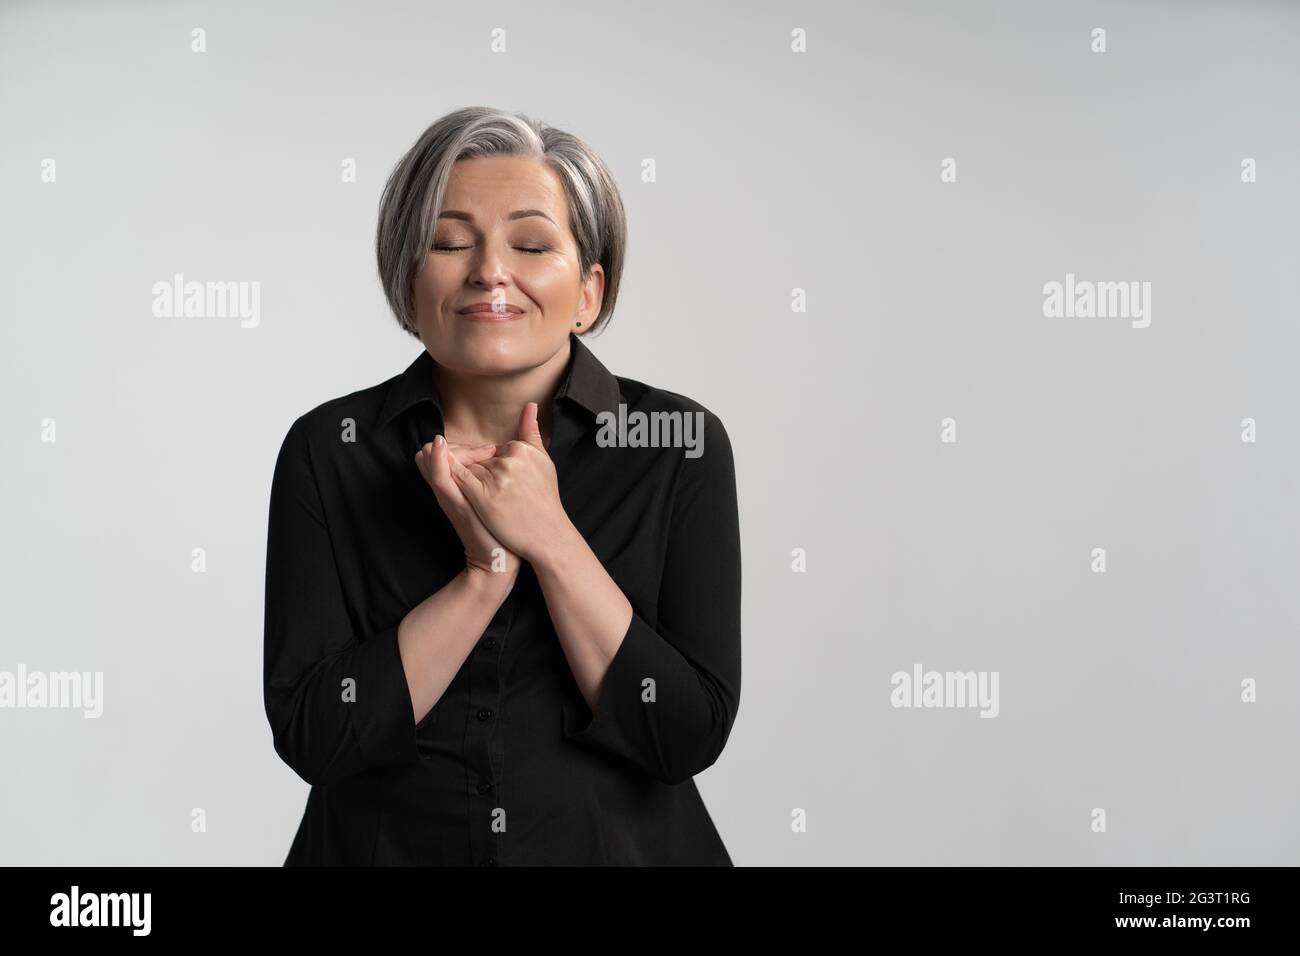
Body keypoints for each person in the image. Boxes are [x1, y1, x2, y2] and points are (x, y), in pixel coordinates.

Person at [262, 106, 741, 865]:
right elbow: (318, 737)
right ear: (407, 282)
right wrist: (483, 575)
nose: (490, 271)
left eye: (530, 243)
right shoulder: (331, 449)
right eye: (451, 242)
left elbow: (681, 735)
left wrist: (548, 536)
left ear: (588, 290)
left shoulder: (677, 446)